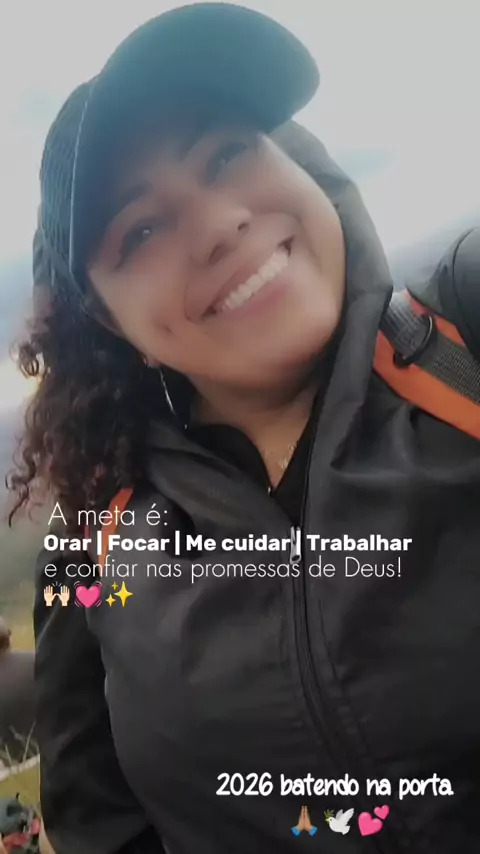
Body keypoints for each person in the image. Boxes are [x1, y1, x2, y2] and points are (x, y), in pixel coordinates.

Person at [6, 4, 480, 853]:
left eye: (227, 154)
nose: (220, 221)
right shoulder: (95, 546)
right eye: (140, 230)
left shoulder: (465, 349)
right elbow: (99, 822)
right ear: (112, 323)